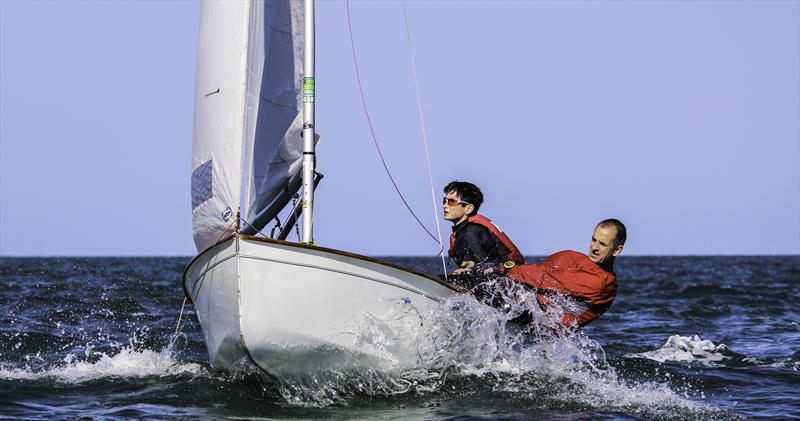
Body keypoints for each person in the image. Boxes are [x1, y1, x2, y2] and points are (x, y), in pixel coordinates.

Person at [473, 219, 626, 328]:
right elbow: (540, 270)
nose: (594, 247)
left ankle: (467, 290)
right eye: (594, 240)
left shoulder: (603, 282)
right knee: (488, 278)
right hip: (533, 306)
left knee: (494, 286)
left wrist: (502, 269)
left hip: (546, 327)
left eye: (603, 244)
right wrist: (497, 268)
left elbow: (547, 281)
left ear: (617, 250)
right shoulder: (571, 256)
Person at [443, 181, 524, 274]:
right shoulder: (467, 230)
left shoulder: (470, 233)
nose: (445, 205)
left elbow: (481, 271)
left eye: (451, 202)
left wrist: (467, 271)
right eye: (444, 201)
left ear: (468, 208)